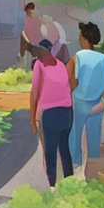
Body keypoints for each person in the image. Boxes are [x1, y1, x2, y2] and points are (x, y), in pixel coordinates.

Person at [67, 22, 104, 171]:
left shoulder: (76, 58)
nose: (79, 39)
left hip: (78, 103)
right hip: (97, 104)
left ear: (86, 39)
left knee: (74, 133)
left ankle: (76, 162)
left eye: (80, 36)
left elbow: (69, 82)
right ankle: (93, 165)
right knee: (94, 134)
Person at [29, 42, 74, 187]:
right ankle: (70, 184)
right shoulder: (60, 65)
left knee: (50, 152)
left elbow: (34, 92)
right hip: (67, 112)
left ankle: (52, 187)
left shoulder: (39, 65)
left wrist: (32, 118)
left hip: (52, 113)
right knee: (64, 149)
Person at [21, 2, 46, 69]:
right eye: (35, 9)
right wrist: (29, 42)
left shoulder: (37, 21)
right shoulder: (27, 21)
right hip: (32, 45)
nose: (36, 11)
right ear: (30, 11)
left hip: (37, 44)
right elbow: (24, 33)